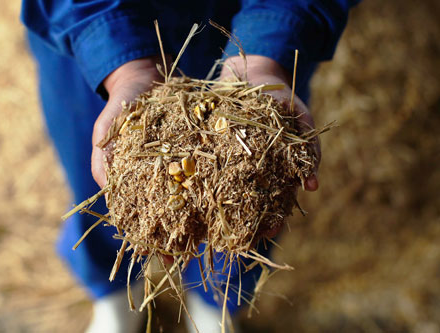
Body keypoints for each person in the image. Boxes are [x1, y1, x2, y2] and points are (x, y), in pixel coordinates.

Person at [21, 1, 359, 332]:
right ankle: (112, 295)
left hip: (249, 30)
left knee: (252, 195)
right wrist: (117, 56)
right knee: (100, 178)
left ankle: (217, 303)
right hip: (99, 32)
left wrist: (272, 37)